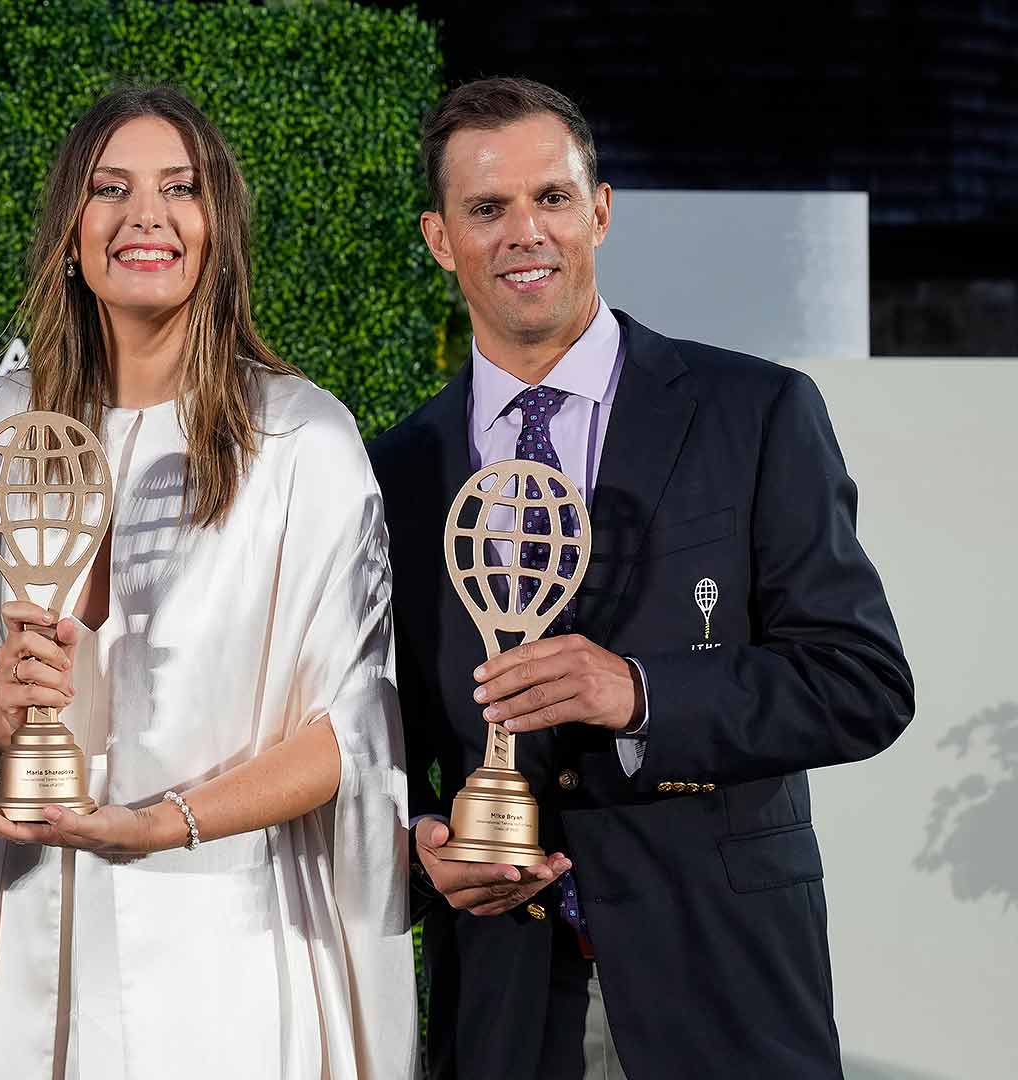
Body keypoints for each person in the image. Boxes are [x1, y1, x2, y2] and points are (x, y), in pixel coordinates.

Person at [367, 76, 914, 1079]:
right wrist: (417, 845)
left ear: (601, 212)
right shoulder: (394, 471)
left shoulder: (755, 411)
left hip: (722, 991)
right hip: (505, 1002)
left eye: (552, 198)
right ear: (440, 239)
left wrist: (640, 694)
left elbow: (863, 682)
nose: (525, 232)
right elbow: (370, 729)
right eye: (487, 209)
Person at [0, 86, 416, 1080]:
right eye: (110, 189)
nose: (146, 217)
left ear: (219, 226)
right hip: (21, 931)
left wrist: (159, 823)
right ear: (69, 231)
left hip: (236, 953)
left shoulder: (304, 440)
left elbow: (353, 731)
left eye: (180, 188)